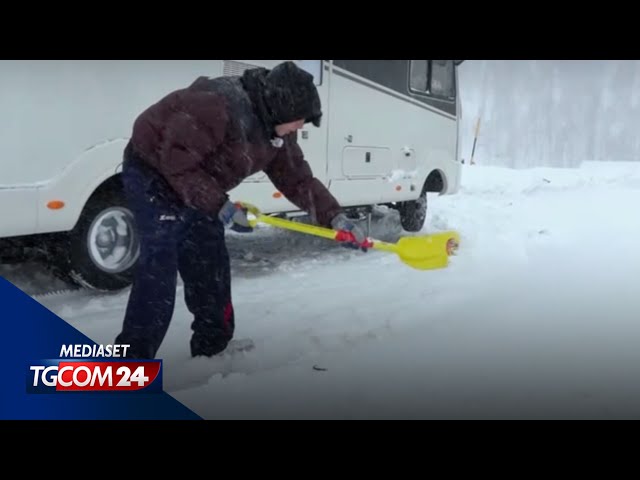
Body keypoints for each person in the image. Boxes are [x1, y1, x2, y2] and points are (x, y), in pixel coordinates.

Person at [114, 61, 368, 359]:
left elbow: (298, 179)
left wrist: (334, 217)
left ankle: (213, 346)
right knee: (160, 265)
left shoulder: (278, 132)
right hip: (154, 174)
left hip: (199, 182)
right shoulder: (216, 106)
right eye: (300, 119)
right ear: (281, 107)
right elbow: (176, 162)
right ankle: (129, 362)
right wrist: (220, 206)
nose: (301, 126)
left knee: (210, 262)